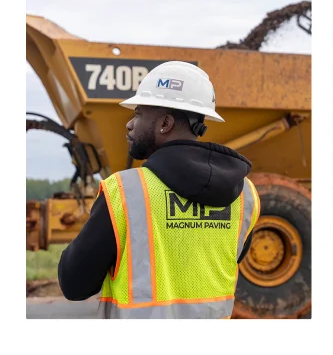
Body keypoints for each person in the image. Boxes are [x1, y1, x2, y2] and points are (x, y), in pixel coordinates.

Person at [58, 62, 260, 318]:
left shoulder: (124, 191)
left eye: (139, 114)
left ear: (165, 123)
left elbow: (75, 284)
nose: (129, 124)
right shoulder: (244, 194)